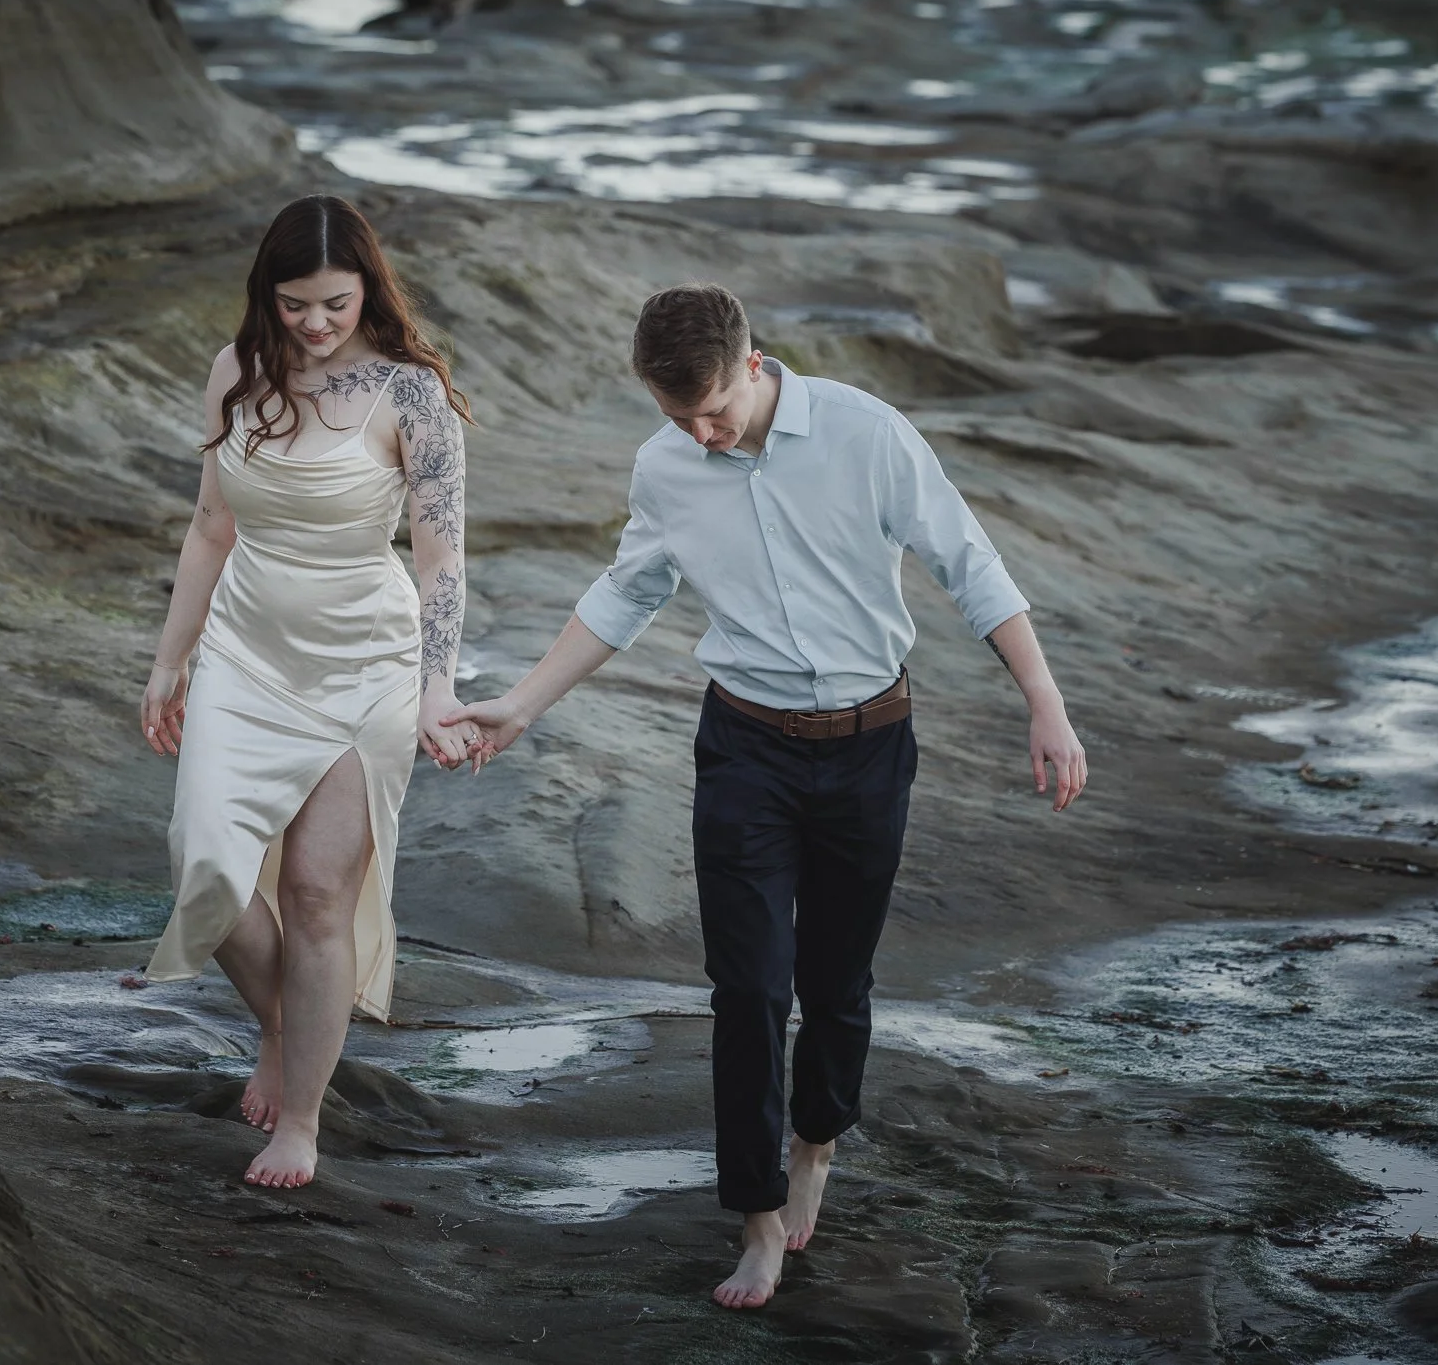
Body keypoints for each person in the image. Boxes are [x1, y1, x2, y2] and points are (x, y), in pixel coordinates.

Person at [447, 283, 1087, 1308]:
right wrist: (520, 704)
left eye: (713, 412)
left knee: (838, 981)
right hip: (744, 745)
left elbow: (969, 562)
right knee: (748, 986)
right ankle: (754, 1217)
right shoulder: (667, 464)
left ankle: (816, 1145)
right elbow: (628, 588)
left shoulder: (866, 433)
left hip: (872, 743)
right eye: (677, 416)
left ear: (753, 363)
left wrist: (1044, 700)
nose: (700, 434)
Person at [140, 195, 476, 1190]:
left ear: (367, 285)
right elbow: (210, 526)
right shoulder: (237, 369)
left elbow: (443, 559)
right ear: (267, 295)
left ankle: (300, 1114)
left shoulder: (411, 394)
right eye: (295, 304)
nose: (316, 322)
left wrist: (435, 686)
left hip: (364, 663)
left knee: (317, 894)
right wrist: (172, 656)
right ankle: (283, 1019)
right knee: (207, 864)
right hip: (246, 656)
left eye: (334, 302)